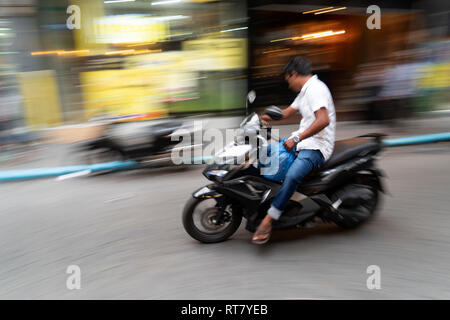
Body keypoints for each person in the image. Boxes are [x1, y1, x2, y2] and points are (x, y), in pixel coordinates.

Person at [252, 56, 336, 244]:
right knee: (264, 154)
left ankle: (269, 220)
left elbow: (323, 120)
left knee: (292, 176)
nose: (288, 84)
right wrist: (261, 118)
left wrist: (297, 138)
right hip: (302, 141)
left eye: (288, 79)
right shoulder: (305, 92)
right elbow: (286, 112)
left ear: (294, 74)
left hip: (317, 147)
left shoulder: (316, 90)